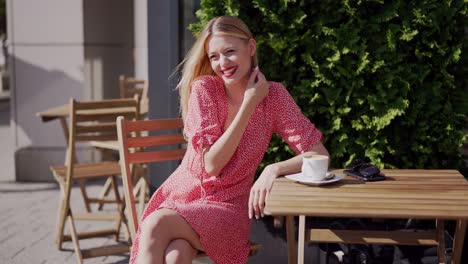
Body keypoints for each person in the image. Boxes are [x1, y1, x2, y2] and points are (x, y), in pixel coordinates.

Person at [130, 16, 329, 264]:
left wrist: (273, 169)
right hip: (182, 198)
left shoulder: (275, 97)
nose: (222, 63)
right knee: (176, 254)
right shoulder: (205, 89)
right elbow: (211, 164)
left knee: (156, 224)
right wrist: (248, 104)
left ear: (251, 48)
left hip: (227, 209)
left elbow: (319, 154)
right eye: (214, 56)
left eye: (230, 52)